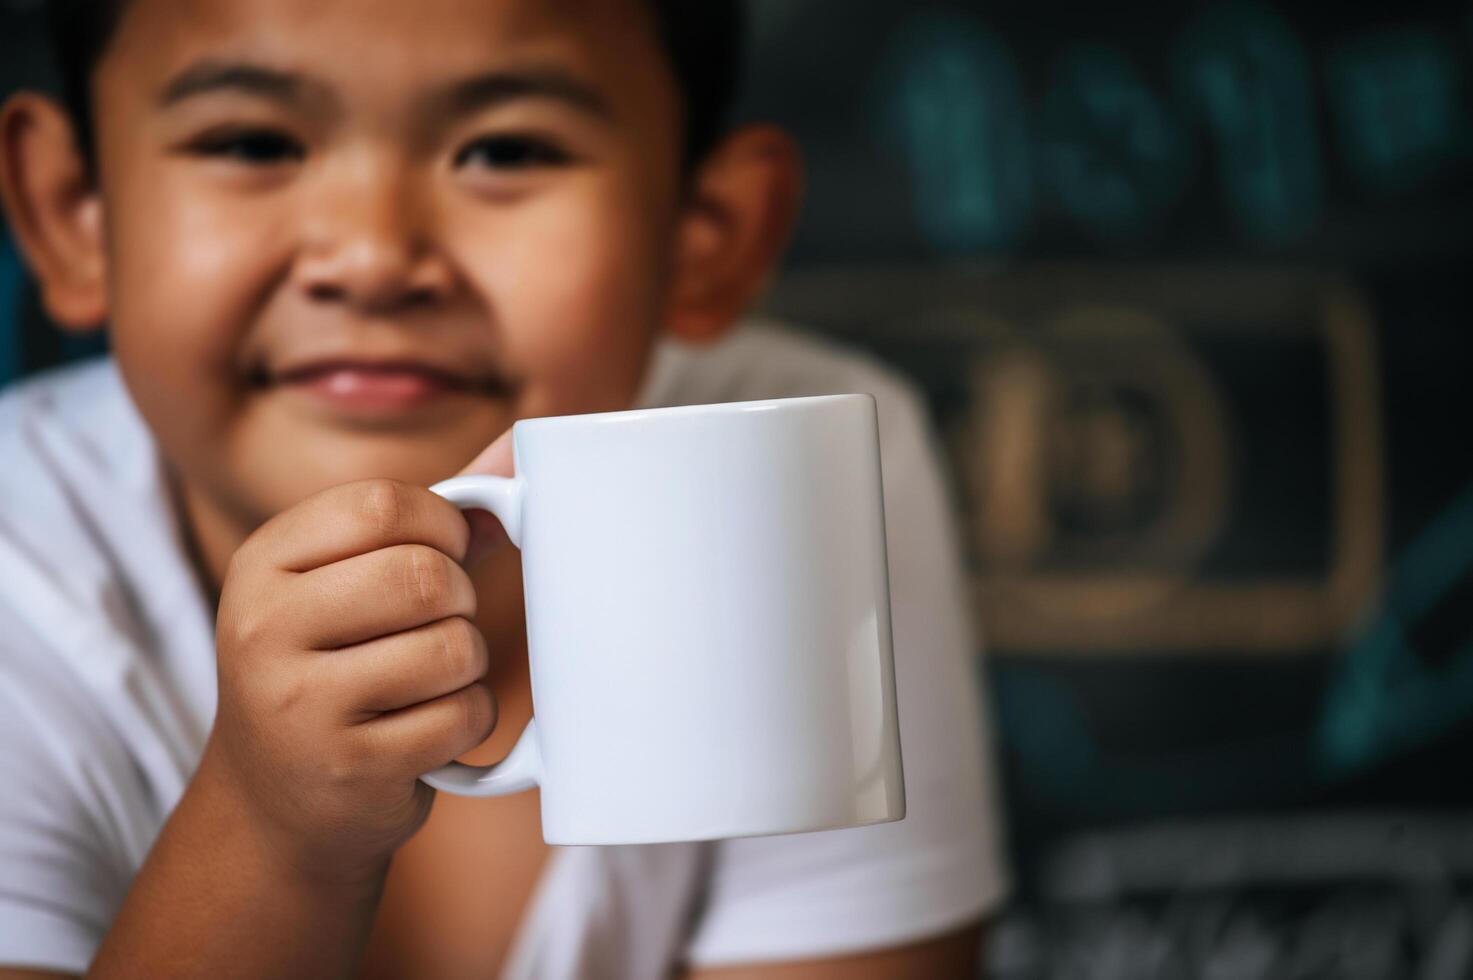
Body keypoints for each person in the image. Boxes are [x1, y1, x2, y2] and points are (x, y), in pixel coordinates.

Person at [0, 0, 1009, 976]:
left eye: (506, 150)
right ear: (69, 212)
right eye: (253, 143)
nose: (373, 259)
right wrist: (276, 835)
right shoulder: (20, 556)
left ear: (708, 233)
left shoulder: (806, 460)